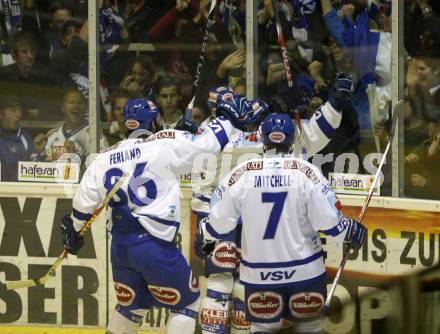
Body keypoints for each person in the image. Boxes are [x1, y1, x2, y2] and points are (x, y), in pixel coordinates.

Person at [59, 95, 265, 334]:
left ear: (127, 122)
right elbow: (210, 143)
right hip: (153, 246)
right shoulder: (165, 142)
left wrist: (74, 230)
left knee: (130, 308)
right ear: (153, 121)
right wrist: (227, 118)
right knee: (188, 303)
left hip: (120, 249)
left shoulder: (103, 157)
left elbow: (82, 205)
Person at [193, 73, 354, 334]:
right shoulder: (222, 136)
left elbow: (309, 134)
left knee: (235, 289)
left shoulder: (230, 135)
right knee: (221, 283)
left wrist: (332, 105)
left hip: (236, 222)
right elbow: (305, 138)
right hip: (239, 223)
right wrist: (330, 105)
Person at [0, 96, 37, 181]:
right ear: (1, 114)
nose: (18, 114)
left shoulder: (25, 139)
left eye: (19, 110)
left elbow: (32, 175)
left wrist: (36, 151)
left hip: (17, 192)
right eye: (13, 110)